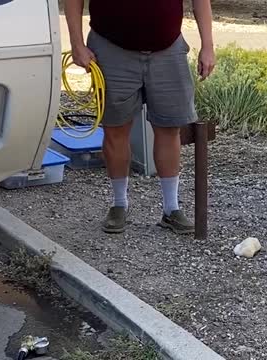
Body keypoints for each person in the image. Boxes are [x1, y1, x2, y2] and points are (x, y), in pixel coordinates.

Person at [64, 0, 216, 234]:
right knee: (115, 129)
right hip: (111, 49)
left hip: (168, 49)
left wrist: (208, 45)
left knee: (169, 128)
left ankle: (171, 209)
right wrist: (77, 44)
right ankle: (119, 204)